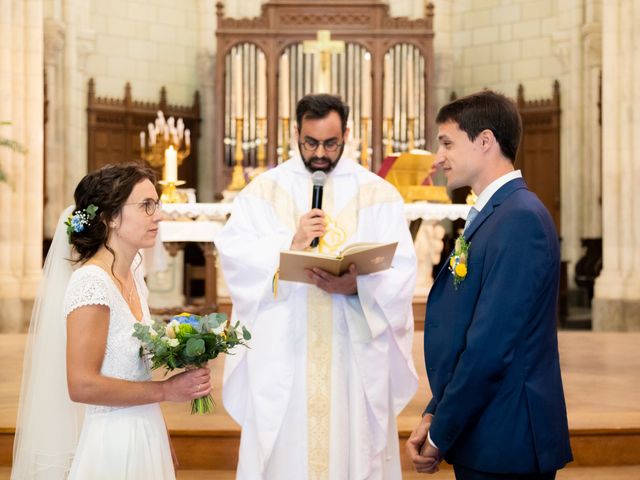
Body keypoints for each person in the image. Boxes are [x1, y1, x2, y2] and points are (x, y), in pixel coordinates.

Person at [216, 94, 418, 479]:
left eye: (331, 143)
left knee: (352, 445)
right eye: (310, 143)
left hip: (351, 351)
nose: (320, 153)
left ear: (346, 134)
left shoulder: (378, 194)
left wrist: (356, 286)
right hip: (286, 352)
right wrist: (288, 247)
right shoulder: (264, 191)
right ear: (295, 133)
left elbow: (401, 270)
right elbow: (236, 256)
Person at [407, 91, 573, 479]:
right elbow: (469, 332)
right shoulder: (497, 212)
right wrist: (436, 410)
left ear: (485, 141)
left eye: (447, 143)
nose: (438, 157)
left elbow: (491, 346)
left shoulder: (520, 219)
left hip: (507, 436)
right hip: (487, 428)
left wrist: (441, 434)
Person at [12, 163, 212, 479]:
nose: (159, 215)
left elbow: (136, 373)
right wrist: (166, 391)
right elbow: (82, 385)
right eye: (147, 206)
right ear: (111, 217)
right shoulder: (92, 283)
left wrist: (157, 430)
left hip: (144, 430)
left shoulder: (133, 275)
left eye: (156, 205)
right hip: (112, 445)